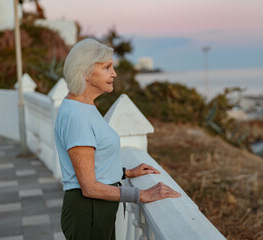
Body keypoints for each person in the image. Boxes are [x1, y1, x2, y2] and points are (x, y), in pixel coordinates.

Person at [54, 38, 181, 240]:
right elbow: (89, 187)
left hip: (97, 210)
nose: (114, 73)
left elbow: (93, 164)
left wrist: (125, 172)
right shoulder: (76, 115)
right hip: (89, 211)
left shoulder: (85, 106)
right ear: (86, 73)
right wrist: (140, 195)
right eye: (107, 67)